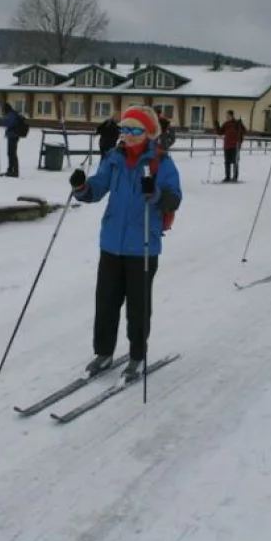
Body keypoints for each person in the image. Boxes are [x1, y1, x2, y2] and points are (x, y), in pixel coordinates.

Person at [68, 105, 183, 383]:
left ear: (149, 132)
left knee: (138, 305)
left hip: (143, 245)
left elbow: (174, 198)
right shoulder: (113, 158)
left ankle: (136, 356)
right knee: (106, 301)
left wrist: (154, 194)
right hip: (111, 243)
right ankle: (103, 352)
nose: (129, 135)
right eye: (125, 128)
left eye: (136, 130)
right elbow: (96, 189)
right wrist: (81, 187)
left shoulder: (160, 162)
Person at [214, 110, 246, 182]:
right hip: (227, 145)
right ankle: (227, 177)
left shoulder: (236, 123)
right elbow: (220, 132)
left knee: (235, 162)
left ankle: (235, 177)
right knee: (227, 162)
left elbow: (244, 131)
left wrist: (241, 124)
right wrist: (216, 126)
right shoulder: (226, 124)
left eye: (228, 116)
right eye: (226, 116)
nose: (227, 117)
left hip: (235, 145)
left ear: (232, 116)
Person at [0, 103, 23, 177]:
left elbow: (8, 122)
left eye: (4, 109)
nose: (3, 111)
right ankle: (10, 170)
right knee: (10, 153)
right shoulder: (12, 114)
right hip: (12, 136)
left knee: (12, 153)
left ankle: (15, 172)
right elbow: (6, 121)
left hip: (13, 136)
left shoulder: (11, 114)